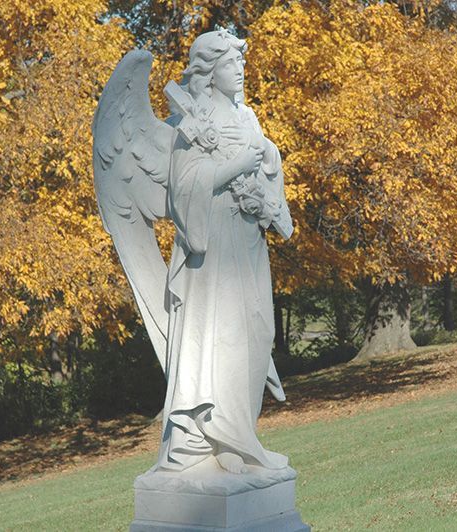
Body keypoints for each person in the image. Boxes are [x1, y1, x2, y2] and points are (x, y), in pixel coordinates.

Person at [157, 30, 292, 474]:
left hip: (248, 245)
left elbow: (267, 166)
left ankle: (243, 434)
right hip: (213, 252)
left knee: (257, 332)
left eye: (241, 64)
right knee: (224, 337)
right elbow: (184, 188)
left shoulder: (247, 118)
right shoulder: (191, 124)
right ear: (210, 73)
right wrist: (236, 165)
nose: (241, 70)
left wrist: (265, 161)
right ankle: (222, 441)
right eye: (232, 64)